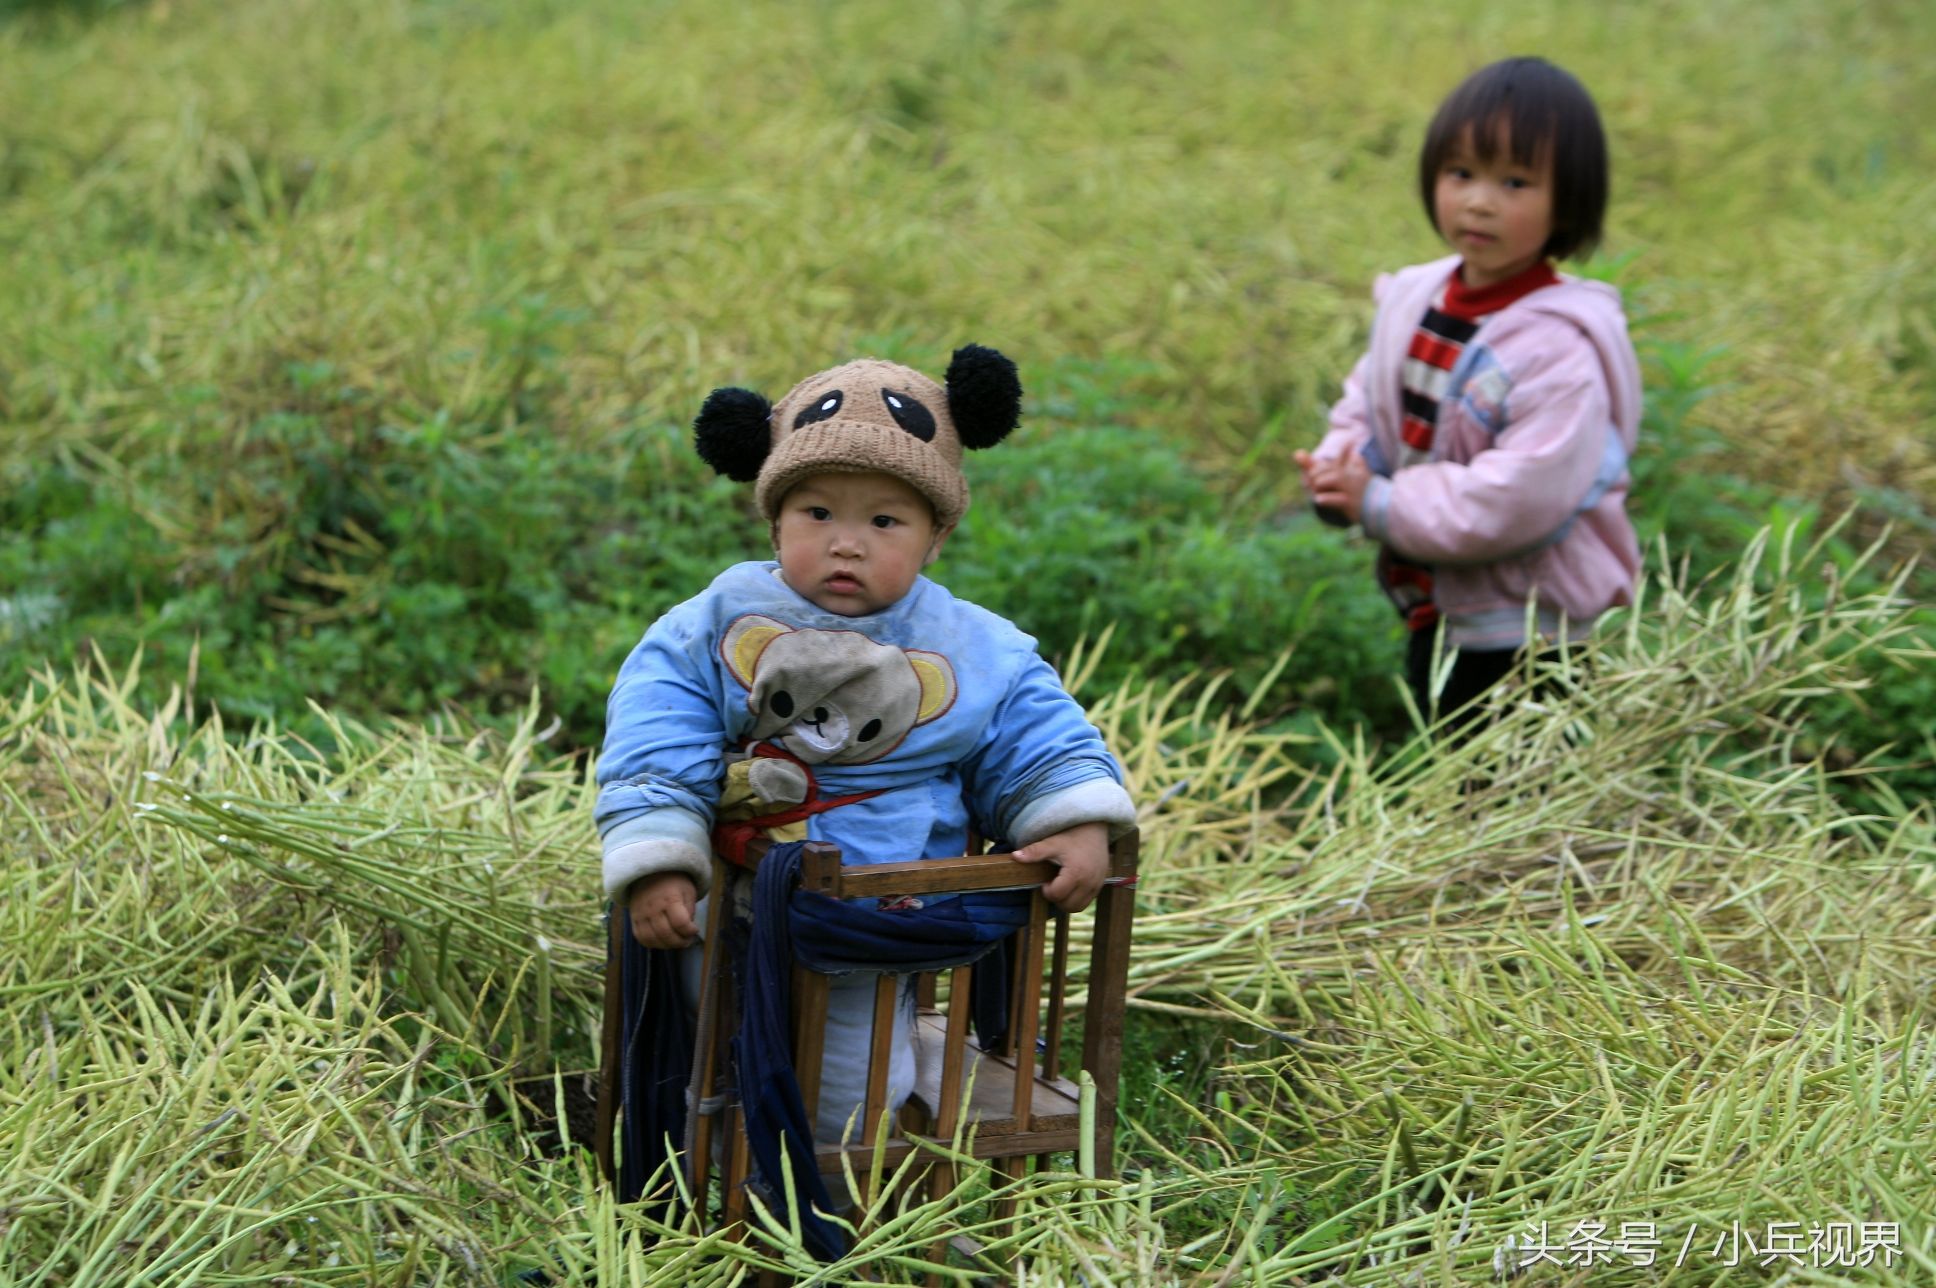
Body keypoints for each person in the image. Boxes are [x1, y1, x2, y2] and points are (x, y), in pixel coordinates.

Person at [594, 344, 1136, 1248]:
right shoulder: (716, 622)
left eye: (886, 521)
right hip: (729, 899)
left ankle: (840, 1207)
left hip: (875, 913)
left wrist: (1074, 815)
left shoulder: (973, 645)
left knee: (850, 1074)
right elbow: (657, 732)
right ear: (774, 522)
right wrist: (659, 855)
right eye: (817, 513)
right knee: (708, 1043)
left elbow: (1036, 732)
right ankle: (706, 1183)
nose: (846, 543)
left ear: (934, 536)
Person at [1296, 56, 1642, 731]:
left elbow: (1520, 497)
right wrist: (1342, 466)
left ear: (1568, 200)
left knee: (1521, 797)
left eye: (1515, 181)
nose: (1480, 201)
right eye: (1462, 174)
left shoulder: (1558, 348)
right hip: (1438, 599)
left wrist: (1383, 503)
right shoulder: (1416, 297)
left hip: (1532, 631)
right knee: (1450, 759)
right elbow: (1372, 399)